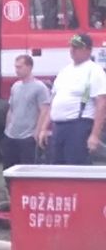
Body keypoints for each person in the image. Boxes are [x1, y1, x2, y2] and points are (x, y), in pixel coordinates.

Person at [38, 33, 106, 164]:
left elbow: (101, 103)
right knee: (56, 167)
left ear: (88, 49)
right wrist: (44, 128)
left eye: (77, 47)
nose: (72, 50)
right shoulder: (64, 71)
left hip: (78, 126)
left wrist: (94, 135)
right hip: (58, 127)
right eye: (71, 46)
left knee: (75, 167)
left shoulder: (94, 71)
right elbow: (53, 102)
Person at [2, 54, 50, 169]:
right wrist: (7, 128)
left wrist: (37, 131)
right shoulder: (15, 86)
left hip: (28, 137)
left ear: (29, 67)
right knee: (8, 169)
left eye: (20, 67)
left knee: (26, 170)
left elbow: (44, 110)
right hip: (11, 135)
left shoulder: (40, 87)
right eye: (15, 67)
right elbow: (11, 109)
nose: (16, 70)